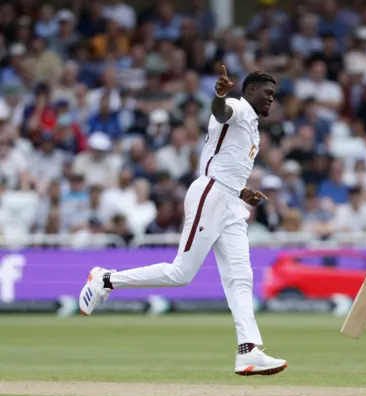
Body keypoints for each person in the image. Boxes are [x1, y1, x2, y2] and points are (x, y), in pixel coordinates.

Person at [78, 67, 288, 377]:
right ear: (251, 91)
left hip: (230, 200)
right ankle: (105, 279)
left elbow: (225, 159)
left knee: (241, 277)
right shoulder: (239, 107)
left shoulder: (252, 121)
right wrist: (219, 96)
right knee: (181, 273)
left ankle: (249, 351)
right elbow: (221, 110)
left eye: (274, 95)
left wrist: (243, 191)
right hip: (211, 194)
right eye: (267, 94)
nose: (272, 100)